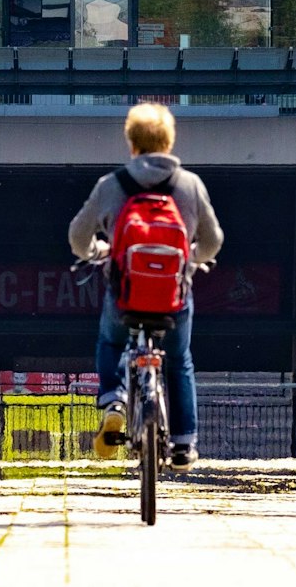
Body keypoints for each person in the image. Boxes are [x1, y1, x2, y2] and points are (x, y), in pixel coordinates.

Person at [67, 102, 223, 467]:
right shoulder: (190, 184)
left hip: (126, 296)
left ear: (131, 142)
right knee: (180, 360)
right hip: (174, 295)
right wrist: (193, 258)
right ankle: (184, 443)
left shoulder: (111, 185)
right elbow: (214, 240)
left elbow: (77, 237)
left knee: (110, 340)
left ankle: (113, 401)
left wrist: (97, 251)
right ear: (169, 142)